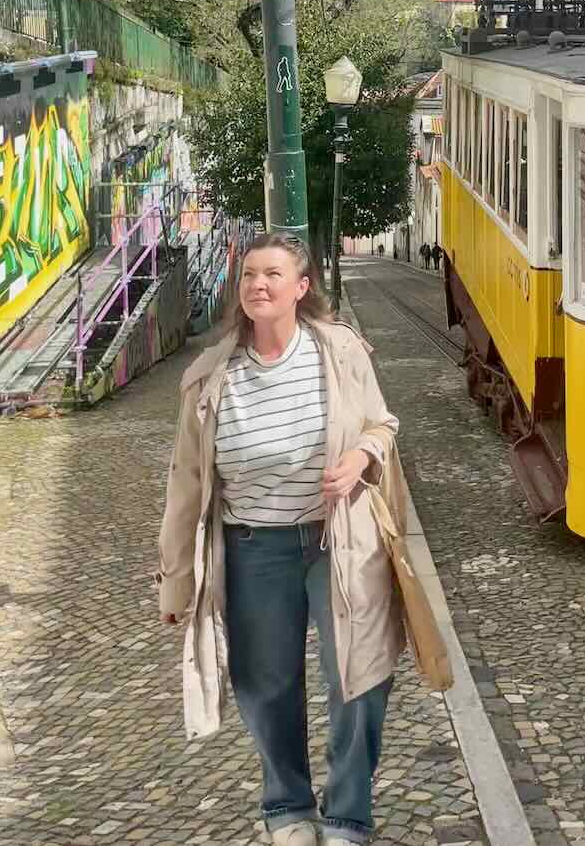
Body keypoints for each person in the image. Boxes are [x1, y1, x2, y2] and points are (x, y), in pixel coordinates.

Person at [157, 232, 405, 846]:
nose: (257, 285)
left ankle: (347, 815)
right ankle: (288, 810)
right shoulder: (209, 376)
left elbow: (382, 422)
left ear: (301, 288)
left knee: (360, 675)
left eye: (271, 275)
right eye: (248, 275)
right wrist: (177, 580)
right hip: (252, 548)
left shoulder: (341, 350)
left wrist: (361, 458)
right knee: (265, 684)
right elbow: (186, 483)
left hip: (338, 541)